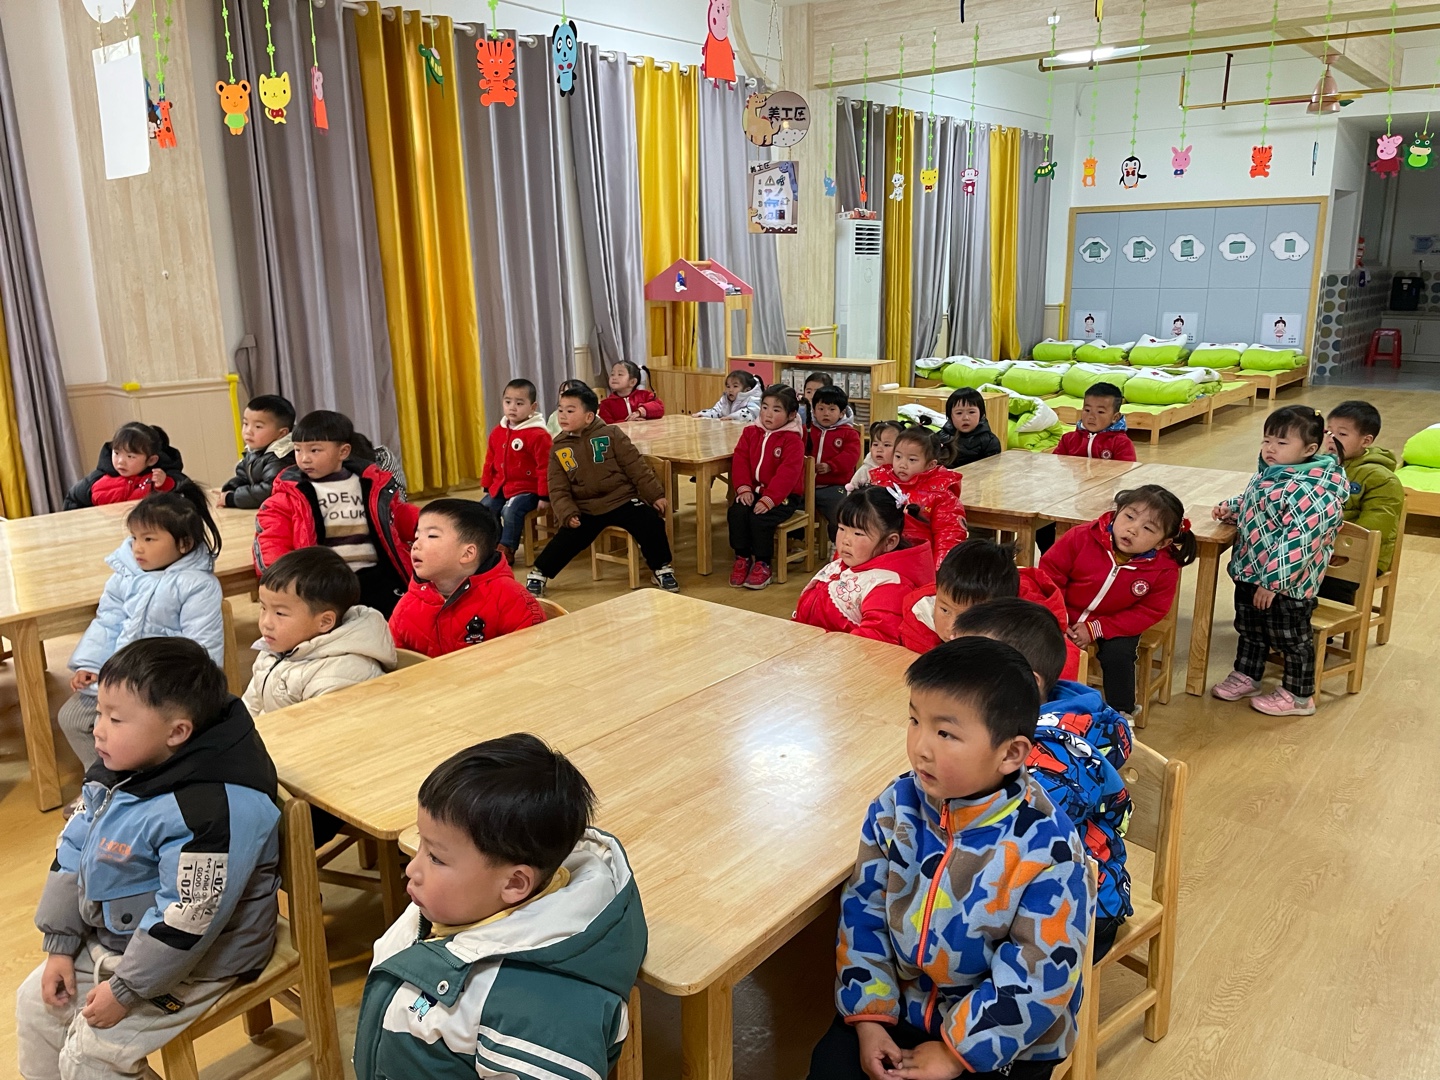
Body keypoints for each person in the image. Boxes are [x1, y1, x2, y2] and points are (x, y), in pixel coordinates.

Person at [807, 636, 1089, 1080]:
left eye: (945, 733)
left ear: (1010, 753)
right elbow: (863, 911)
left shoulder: (1048, 847)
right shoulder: (895, 805)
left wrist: (956, 1053)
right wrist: (870, 1017)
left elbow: (1040, 975)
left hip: (1007, 1037)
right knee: (829, 1068)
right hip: (902, 1008)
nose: (921, 746)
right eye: (914, 720)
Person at [18, 638, 281, 1080]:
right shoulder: (119, 767)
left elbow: (188, 918)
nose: (97, 729)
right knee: (36, 1004)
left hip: (202, 959)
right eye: (99, 711)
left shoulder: (212, 809)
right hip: (124, 939)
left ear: (176, 733)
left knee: (93, 1057)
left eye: (115, 718)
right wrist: (61, 944)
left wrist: (125, 990)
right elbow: (72, 850)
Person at [353, 734, 646, 1080]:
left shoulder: (540, 1010)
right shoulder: (455, 906)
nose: (412, 869)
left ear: (514, 884)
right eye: (421, 844)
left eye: (436, 858)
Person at [951, 599, 1133, 959]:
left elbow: (1013, 836)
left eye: (970, 670)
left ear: (1027, 684)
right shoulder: (1017, 721)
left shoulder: (1056, 757)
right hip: (1021, 886)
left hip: (1081, 911)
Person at [59, 484, 224, 772]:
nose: (137, 547)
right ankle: (103, 778)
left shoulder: (197, 585)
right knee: (71, 718)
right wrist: (92, 664)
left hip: (162, 688)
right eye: (134, 537)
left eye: (149, 539)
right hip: (121, 677)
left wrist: (180, 691)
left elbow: (203, 646)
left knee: (129, 735)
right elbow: (108, 621)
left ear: (184, 544)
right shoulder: (126, 576)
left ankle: (136, 779)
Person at [1211, 405, 1348, 716]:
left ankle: (1299, 696)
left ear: (1309, 449)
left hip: (1287, 586)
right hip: (1252, 572)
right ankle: (1247, 675)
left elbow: (1299, 541)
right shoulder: (1272, 474)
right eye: (1267, 440)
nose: (1270, 448)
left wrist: (1273, 583)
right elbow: (1257, 503)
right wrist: (1232, 507)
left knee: (1290, 640)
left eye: (1282, 442)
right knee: (1250, 630)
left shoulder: (1313, 490)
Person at [1040, 485, 1196, 717]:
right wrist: (1059, 619)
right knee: (1039, 642)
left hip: (1115, 622)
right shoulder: (1081, 537)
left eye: (1147, 528)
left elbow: (1150, 610)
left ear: (1162, 543)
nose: (1132, 529)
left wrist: (1096, 628)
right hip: (1062, 611)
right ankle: (1040, 703)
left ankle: (1122, 714)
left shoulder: (1164, 568)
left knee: (1118, 655)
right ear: (1117, 512)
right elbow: (1050, 577)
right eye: (1129, 516)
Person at [254, 409, 418, 619]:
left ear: (343, 452)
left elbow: (400, 515)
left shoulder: (371, 484)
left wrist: (433, 527)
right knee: (336, 628)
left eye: (315, 450)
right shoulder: (289, 495)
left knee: (398, 620)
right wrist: (285, 580)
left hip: (377, 574)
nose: (304, 459)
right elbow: (272, 538)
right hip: (326, 583)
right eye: (297, 450)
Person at [526, 384, 677, 596]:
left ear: (589, 416)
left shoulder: (611, 433)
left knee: (650, 522)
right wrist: (567, 513)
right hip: (587, 507)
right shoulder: (558, 447)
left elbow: (636, 466)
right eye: (560, 410)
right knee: (568, 537)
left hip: (622, 500)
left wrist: (655, 495)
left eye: (570, 410)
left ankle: (661, 568)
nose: (563, 415)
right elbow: (558, 488)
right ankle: (540, 572)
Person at [243, 546, 397, 716]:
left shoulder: (339, 673)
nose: (266, 623)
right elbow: (250, 708)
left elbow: (321, 729)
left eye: (280, 613)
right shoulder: (275, 648)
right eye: (263, 608)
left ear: (325, 621)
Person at [900, 538, 1081, 680]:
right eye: (944, 610)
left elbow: (1061, 667)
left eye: (968, 618)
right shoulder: (921, 612)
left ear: (998, 615)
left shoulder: (1034, 639)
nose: (951, 628)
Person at [392, 499, 545, 657]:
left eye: (432, 536)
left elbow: (536, 653)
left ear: (467, 553)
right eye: (417, 536)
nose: (416, 545)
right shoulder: (406, 607)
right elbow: (396, 661)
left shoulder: (509, 597)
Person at [793, 487, 935, 643]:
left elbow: (872, 643)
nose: (845, 540)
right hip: (810, 647)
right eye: (841, 528)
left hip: (838, 654)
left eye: (858, 533)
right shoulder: (844, 564)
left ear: (889, 542)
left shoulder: (889, 585)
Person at [1320, 399, 1405, 604]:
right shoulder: (1319, 467)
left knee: (1330, 581)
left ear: (1365, 441)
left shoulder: (1380, 478)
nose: (1332, 439)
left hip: (1361, 555)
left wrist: (1345, 551)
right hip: (1321, 548)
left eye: (1342, 434)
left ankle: (1331, 622)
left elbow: (1377, 524)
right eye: (1329, 432)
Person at [727, 383, 806, 590]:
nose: (768, 414)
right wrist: (743, 488)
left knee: (760, 518)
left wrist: (769, 499)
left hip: (783, 496)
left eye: (776, 409)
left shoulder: (793, 440)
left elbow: (788, 474)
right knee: (737, 512)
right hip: (753, 490)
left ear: (791, 415)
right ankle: (742, 557)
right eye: (764, 407)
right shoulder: (750, 432)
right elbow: (740, 460)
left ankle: (763, 562)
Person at [865, 428, 967, 568]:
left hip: (918, 564)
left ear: (931, 465)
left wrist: (940, 571)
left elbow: (949, 535)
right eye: (898, 456)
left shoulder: (941, 493)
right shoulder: (880, 483)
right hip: (878, 559)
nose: (902, 464)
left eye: (912, 460)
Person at [480, 378, 552, 566]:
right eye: (508, 402)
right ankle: (493, 543)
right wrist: (487, 484)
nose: (512, 407)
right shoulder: (498, 431)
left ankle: (507, 548)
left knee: (510, 510)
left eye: (519, 403)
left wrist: (544, 495)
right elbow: (490, 460)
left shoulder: (538, 435)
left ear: (532, 407)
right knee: (485, 507)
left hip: (528, 490)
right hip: (502, 486)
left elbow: (546, 467)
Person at [64, 422, 188, 510]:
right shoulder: (97, 478)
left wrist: (165, 483)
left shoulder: (162, 475)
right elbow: (73, 500)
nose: (120, 462)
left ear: (151, 460)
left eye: (130, 456)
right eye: (116, 453)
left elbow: (187, 494)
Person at [807, 385, 863, 541]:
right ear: (814, 410)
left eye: (832, 409)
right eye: (821, 409)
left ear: (842, 412)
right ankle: (799, 541)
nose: (826, 413)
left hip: (835, 485)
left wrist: (831, 466)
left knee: (839, 510)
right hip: (806, 485)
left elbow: (851, 456)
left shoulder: (849, 433)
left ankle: (837, 542)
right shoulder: (808, 430)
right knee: (792, 505)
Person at [221, 394, 296, 509]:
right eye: (246, 424)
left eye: (258, 427)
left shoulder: (281, 457)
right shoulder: (256, 449)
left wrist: (232, 498)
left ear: (282, 433)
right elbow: (244, 475)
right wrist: (231, 488)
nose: (248, 431)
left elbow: (269, 490)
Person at [1053, 382, 1136, 463]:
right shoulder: (1068, 439)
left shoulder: (1121, 443)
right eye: (1087, 410)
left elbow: (1126, 469)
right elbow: (1055, 464)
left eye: (1100, 412)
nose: (1091, 416)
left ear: (1115, 417)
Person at [938, 386, 1003, 468]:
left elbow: (990, 470)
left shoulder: (990, 441)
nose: (965, 418)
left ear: (981, 414)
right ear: (950, 416)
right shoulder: (940, 437)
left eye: (971, 412)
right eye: (959, 413)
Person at [597, 360, 664, 424]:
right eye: (612, 374)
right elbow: (607, 425)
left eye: (620, 374)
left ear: (632, 382)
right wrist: (627, 422)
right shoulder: (606, 404)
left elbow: (660, 407)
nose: (614, 377)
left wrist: (640, 412)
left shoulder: (645, 395)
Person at [846, 419, 904, 493]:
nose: (879, 449)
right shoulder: (865, 470)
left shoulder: (903, 470)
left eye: (886, 445)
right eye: (875, 444)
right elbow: (851, 491)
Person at [695, 369, 763, 422]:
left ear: (747, 390)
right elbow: (716, 411)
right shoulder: (725, 399)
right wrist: (703, 414)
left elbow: (751, 414)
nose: (730, 390)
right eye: (728, 386)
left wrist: (733, 417)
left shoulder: (754, 399)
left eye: (735, 386)